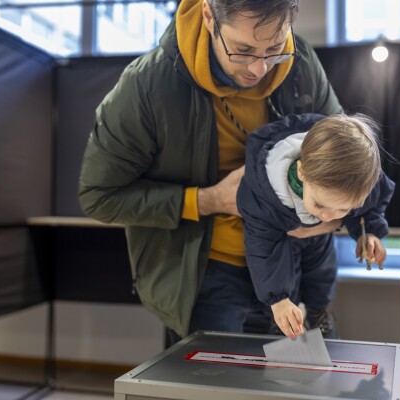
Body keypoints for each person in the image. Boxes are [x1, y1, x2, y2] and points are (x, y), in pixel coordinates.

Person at [78, 0, 343, 343]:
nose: (260, 69)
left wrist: (332, 216)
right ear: (208, 16)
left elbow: (344, 157)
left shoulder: (301, 63)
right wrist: (208, 200)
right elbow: (99, 196)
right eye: (242, 50)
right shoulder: (147, 85)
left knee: (292, 393)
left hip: (291, 266)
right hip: (205, 279)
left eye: (275, 49)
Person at [238, 113, 396, 339]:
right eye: (320, 204)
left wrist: (369, 232)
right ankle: (281, 321)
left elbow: (372, 204)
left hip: (318, 241)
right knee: (283, 274)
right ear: (302, 172)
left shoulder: (359, 180)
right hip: (280, 239)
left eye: (343, 209)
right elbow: (261, 246)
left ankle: (318, 312)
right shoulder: (266, 195)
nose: (329, 216)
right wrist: (278, 300)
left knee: (323, 273)